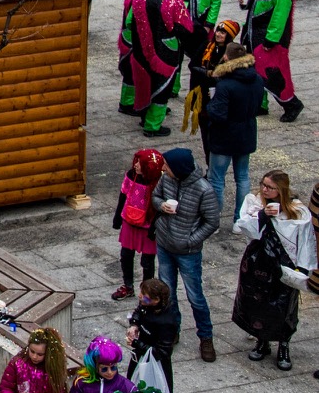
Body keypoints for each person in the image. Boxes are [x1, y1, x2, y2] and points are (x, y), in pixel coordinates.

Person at [232, 170, 317, 370]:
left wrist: (302, 268)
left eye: (270, 187)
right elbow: (243, 226)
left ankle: (283, 345)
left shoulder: (298, 210)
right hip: (258, 262)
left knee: (284, 305)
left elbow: (306, 240)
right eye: (263, 184)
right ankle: (262, 341)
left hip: (284, 265)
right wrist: (262, 215)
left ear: (281, 189)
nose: (264, 189)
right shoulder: (254, 202)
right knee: (257, 301)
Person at [152, 147, 220, 363]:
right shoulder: (167, 179)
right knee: (167, 294)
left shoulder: (203, 190)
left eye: (167, 165)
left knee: (195, 297)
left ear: (179, 168)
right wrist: (161, 205)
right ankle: (173, 330)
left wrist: (191, 240)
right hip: (164, 245)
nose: (163, 168)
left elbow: (212, 221)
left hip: (188, 252)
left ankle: (206, 338)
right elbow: (155, 196)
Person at [119, 0, 194, 137]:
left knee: (144, 83)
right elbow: (185, 29)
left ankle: (144, 116)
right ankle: (152, 126)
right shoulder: (174, 2)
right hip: (165, 53)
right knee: (162, 87)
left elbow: (129, 22)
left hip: (141, 49)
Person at [200, 41, 265, 221]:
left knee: (216, 179)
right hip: (247, 133)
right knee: (242, 177)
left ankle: (213, 220)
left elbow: (218, 114)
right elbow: (258, 105)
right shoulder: (257, 79)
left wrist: (210, 104)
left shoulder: (225, 85)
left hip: (224, 136)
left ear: (227, 57)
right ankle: (239, 220)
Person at [241, 0, 303, 122]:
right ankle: (261, 104)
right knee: (257, 72)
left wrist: (271, 40)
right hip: (255, 37)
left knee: (275, 74)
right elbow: (260, 6)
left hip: (269, 40)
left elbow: (279, 15)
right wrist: (247, 4)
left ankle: (292, 104)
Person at [113, 148, 166, 300]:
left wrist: (155, 228)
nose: (135, 165)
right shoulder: (131, 175)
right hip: (129, 222)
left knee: (147, 262)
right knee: (125, 255)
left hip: (148, 227)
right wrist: (117, 218)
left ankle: (146, 291)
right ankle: (128, 286)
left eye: (139, 163)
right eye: (136, 161)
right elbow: (123, 195)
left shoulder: (159, 181)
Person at [127, 278, 181, 393]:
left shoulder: (167, 322)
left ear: (156, 300)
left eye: (144, 297)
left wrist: (137, 343)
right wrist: (134, 324)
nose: (140, 297)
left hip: (156, 366)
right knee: (131, 390)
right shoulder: (147, 304)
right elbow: (139, 311)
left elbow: (162, 352)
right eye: (141, 293)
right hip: (139, 356)